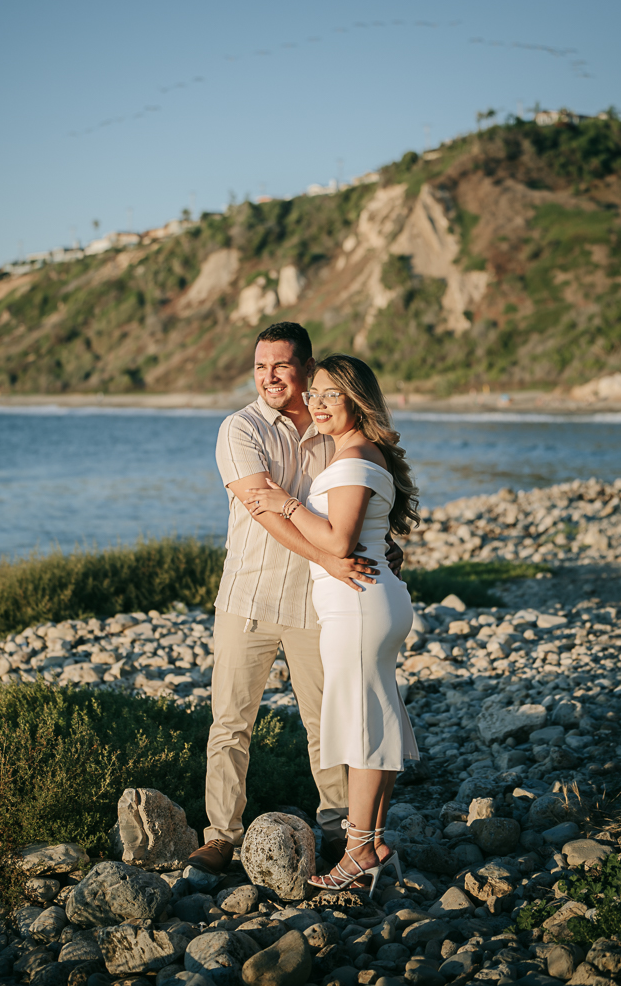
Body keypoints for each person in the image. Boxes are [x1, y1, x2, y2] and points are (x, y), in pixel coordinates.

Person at [186, 322, 404, 876]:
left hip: (317, 604)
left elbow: (359, 498)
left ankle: (337, 827)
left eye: (281, 366)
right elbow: (262, 506)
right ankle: (221, 834)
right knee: (231, 722)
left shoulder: (332, 429)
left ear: (306, 370)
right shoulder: (240, 429)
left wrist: (380, 546)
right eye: (260, 367)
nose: (269, 377)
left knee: (323, 719)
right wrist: (331, 556)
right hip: (249, 597)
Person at [244, 353, 420, 894]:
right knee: (377, 718)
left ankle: (357, 851)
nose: (317, 404)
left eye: (330, 395)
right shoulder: (360, 455)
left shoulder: (351, 461)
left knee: (363, 727)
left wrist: (284, 502)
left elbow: (340, 541)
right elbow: (366, 534)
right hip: (369, 601)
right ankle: (372, 842)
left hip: (358, 605)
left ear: (356, 400)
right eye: (313, 393)